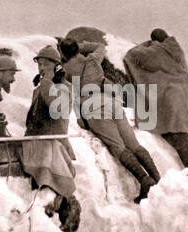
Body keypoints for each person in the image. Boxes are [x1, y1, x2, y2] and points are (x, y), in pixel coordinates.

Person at [59, 38, 160, 204]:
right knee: (134, 144)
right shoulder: (93, 59)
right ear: (78, 49)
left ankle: (145, 181)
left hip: (94, 108)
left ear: (63, 53)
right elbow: (101, 46)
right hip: (111, 102)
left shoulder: (67, 70)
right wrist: (83, 46)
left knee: (119, 147)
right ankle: (157, 178)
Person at [123, 28, 188, 172]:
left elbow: (132, 55)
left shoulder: (158, 51)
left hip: (172, 101)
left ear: (155, 41)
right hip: (184, 102)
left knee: (179, 139)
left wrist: (147, 44)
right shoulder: (177, 49)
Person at [20, 45, 80, 232]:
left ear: (57, 66)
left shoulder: (64, 88)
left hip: (54, 147)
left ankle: (68, 211)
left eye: (46, 63)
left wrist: (46, 83)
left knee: (51, 189)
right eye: (39, 63)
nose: (41, 67)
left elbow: (56, 110)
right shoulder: (40, 90)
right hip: (37, 145)